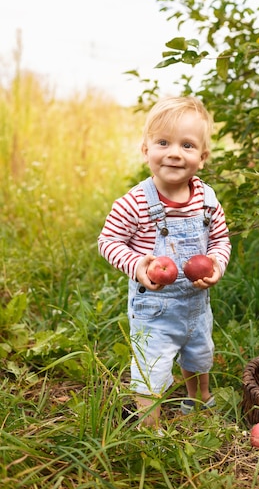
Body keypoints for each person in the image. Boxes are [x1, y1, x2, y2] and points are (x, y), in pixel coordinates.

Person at [98, 96, 231, 427]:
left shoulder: (207, 199)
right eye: (163, 142)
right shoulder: (134, 203)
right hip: (154, 310)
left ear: (202, 157)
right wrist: (138, 265)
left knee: (199, 354)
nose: (174, 152)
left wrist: (215, 264)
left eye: (187, 145)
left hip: (196, 306)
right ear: (146, 150)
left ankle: (198, 400)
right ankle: (150, 423)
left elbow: (220, 240)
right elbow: (108, 241)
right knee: (152, 366)